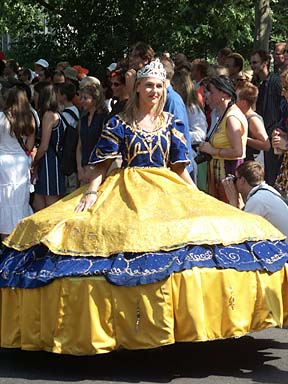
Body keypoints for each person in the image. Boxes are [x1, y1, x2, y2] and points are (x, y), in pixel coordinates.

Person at [0, 60, 288, 356]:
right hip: (126, 186)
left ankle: (181, 321)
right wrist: (92, 192)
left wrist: (198, 197)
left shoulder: (171, 122)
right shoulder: (119, 122)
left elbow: (179, 169)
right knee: (115, 237)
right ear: (137, 88)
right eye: (149, 85)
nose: (154, 91)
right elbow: (101, 164)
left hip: (165, 187)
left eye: (159, 86)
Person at [200, 76, 248, 201]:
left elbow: (238, 151)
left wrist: (212, 151)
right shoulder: (224, 114)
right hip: (220, 172)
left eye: (211, 91)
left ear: (223, 93)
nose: (207, 95)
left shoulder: (232, 118)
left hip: (228, 173)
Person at [0, 87, 35, 240]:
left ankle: (5, 239)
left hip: (3, 162)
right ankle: (19, 240)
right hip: (20, 164)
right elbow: (29, 146)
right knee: (20, 201)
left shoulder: (1, 117)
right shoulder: (29, 118)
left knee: (4, 201)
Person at [222, 161, 288, 240]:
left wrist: (233, 202)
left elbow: (241, 232)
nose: (234, 182)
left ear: (242, 180)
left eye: (236, 178)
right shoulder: (267, 191)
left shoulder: (257, 200)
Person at [32, 84, 66, 211]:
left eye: (36, 95)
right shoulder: (57, 114)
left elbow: (44, 145)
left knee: (50, 205)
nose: (34, 97)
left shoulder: (49, 115)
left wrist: (34, 162)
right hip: (49, 163)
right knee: (37, 204)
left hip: (49, 163)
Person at [250, 49, 282, 185]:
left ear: (266, 62)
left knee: (273, 173)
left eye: (255, 62)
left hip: (273, 134)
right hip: (263, 135)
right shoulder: (258, 83)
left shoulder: (275, 82)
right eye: (251, 63)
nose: (252, 66)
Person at [76, 82, 108, 185]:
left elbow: (104, 145)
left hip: (97, 169)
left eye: (85, 98)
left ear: (95, 99)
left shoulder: (104, 117)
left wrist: (95, 169)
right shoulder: (83, 119)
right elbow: (80, 145)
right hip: (84, 168)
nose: (82, 101)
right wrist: (80, 168)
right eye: (81, 98)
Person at [236, 82, 270, 162]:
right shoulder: (242, 116)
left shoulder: (253, 119)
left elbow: (266, 145)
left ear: (244, 102)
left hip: (252, 164)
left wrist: (243, 138)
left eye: (236, 98)